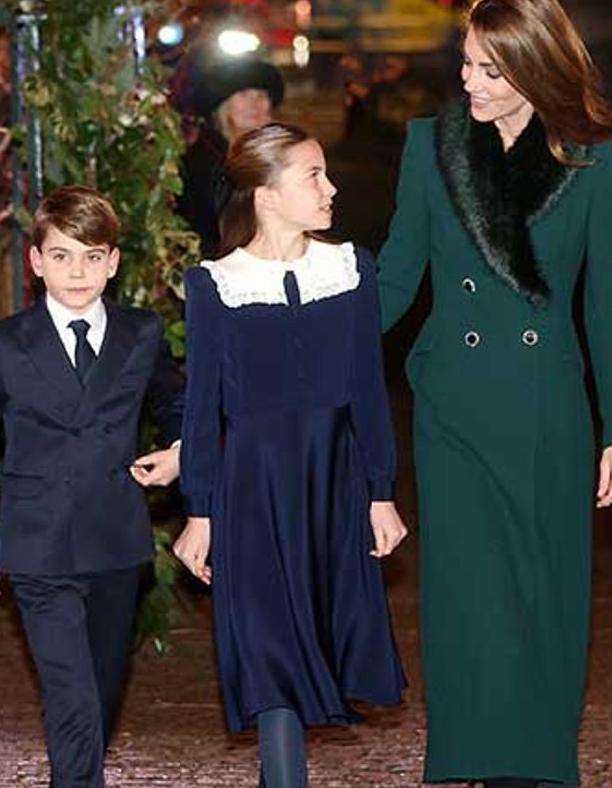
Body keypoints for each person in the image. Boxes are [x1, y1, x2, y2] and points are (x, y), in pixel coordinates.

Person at [377, 0, 612, 787]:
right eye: (467, 64)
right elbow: (396, 280)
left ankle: (539, 766)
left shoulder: (599, 159)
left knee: (546, 598)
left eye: (491, 70)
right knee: (467, 602)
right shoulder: (431, 146)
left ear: (537, 69)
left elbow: (610, 305)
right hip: (453, 408)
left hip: (549, 409)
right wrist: (297, 330)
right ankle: (477, 761)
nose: (470, 82)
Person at [174, 123, 407, 788]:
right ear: (267, 195)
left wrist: (381, 493)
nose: (330, 189)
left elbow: (369, 391)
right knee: (269, 650)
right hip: (251, 488)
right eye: (313, 175)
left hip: (334, 482)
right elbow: (202, 406)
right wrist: (199, 510)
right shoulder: (215, 284)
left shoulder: (351, 269)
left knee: (324, 634)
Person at [0, 185, 183, 788]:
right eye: (61, 256)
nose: (77, 272)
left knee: (101, 693)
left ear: (112, 262)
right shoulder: (3, 343)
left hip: (115, 540)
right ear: (36, 262)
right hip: (38, 546)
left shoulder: (141, 334)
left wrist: (180, 451)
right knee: (70, 694)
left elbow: (178, 402)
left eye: (91, 257)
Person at [177, 52, 286, 255]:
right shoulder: (201, 161)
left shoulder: (283, 154)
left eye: (261, 95)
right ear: (223, 105)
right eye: (244, 94)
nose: (254, 104)